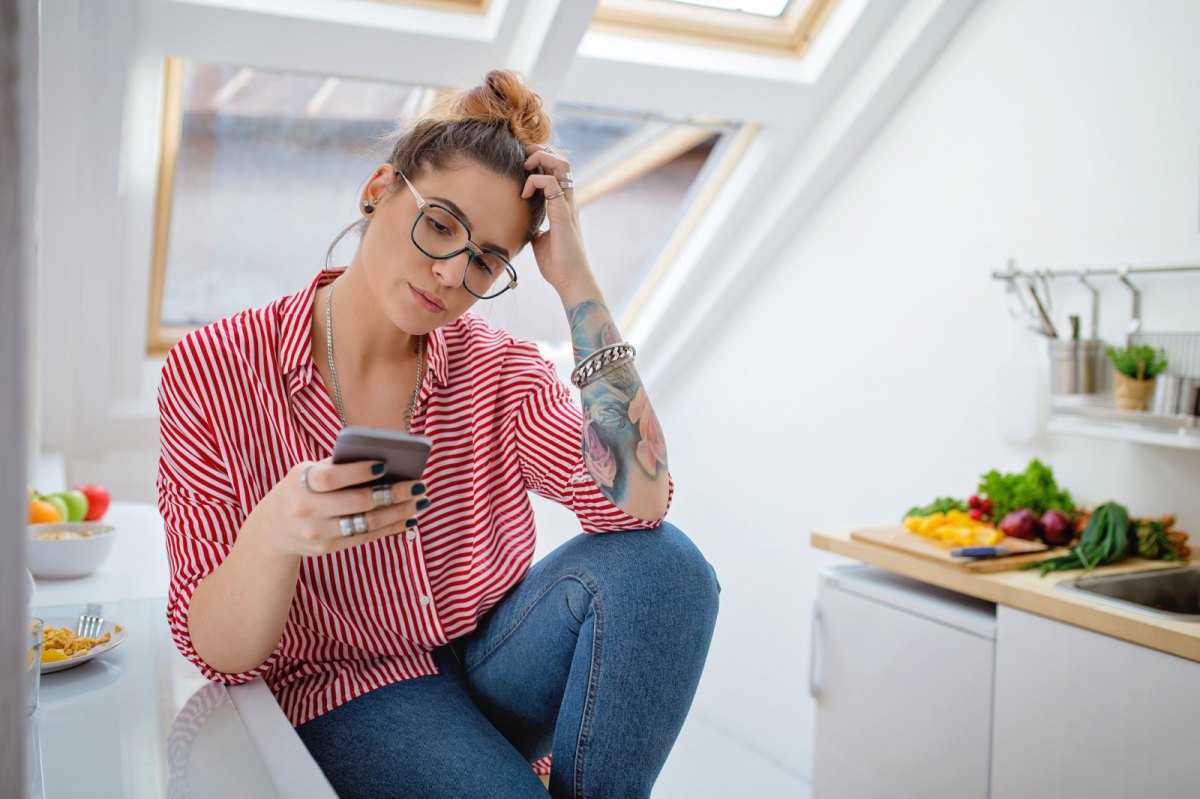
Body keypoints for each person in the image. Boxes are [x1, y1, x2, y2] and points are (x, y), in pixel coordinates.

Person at [156, 69, 720, 799]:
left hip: (490, 661)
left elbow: (639, 502)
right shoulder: (216, 368)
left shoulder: (499, 369)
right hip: (348, 690)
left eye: (487, 259)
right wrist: (274, 534)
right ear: (378, 190)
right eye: (441, 223)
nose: (452, 273)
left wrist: (578, 284)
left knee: (667, 566)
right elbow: (222, 655)